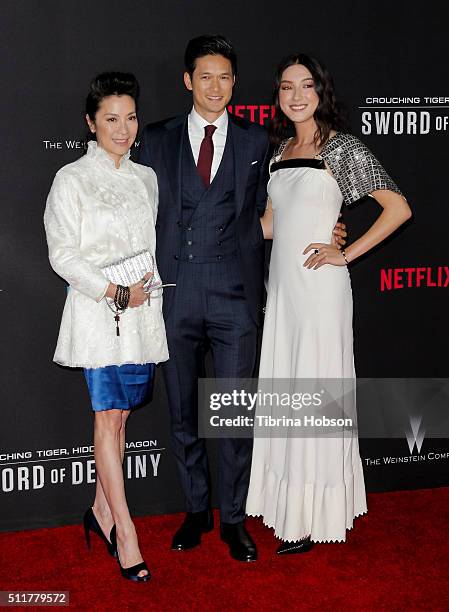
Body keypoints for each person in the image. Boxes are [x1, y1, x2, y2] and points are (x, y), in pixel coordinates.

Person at [139, 36, 346, 562]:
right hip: (175, 292)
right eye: (204, 76)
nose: (215, 86)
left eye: (225, 76)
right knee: (185, 412)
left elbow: (277, 214)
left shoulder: (260, 144)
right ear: (188, 81)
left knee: (232, 413)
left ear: (235, 82)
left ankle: (233, 519)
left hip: (234, 297)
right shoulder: (156, 140)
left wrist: (332, 232)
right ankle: (195, 510)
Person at [246, 54, 411, 553]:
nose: (296, 96)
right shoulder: (277, 153)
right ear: (277, 95)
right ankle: (285, 506)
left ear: (322, 92)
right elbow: (272, 225)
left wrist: (346, 252)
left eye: (306, 86)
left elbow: (398, 208)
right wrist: (213, 234)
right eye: (286, 87)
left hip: (320, 293)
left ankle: (315, 516)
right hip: (284, 294)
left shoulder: (341, 148)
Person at [44, 72, 168, 581]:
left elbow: (149, 245)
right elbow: (62, 255)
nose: (123, 128)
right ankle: (126, 531)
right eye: (111, 119)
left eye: (131, 117)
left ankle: (99, 511)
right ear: (90, 123)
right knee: (106, 418)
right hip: (98, 315)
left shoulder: (146, 179)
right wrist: (114, 291)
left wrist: (139, 288)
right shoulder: (70, 179)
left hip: (140, 313)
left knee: (121, 418)